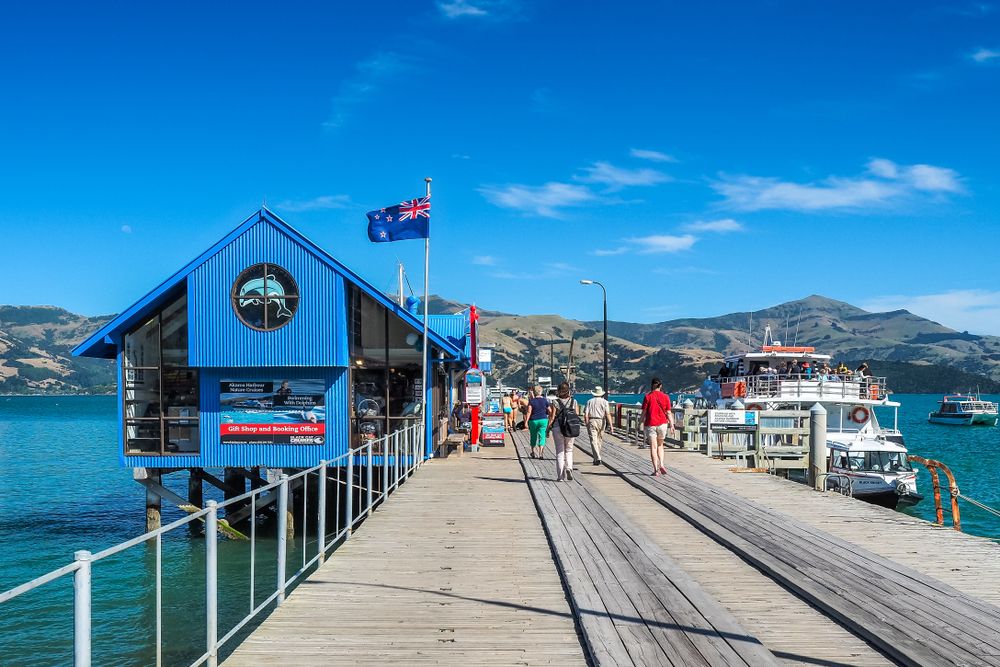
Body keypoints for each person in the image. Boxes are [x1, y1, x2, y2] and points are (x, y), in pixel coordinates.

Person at [641, 377, 674, 476]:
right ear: (661, 386)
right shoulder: (666, 397)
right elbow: (668, 412)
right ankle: (662, 465)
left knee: (653, 447)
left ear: (652, 385)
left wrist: (640, 422)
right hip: (662, 424)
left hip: (651, 424)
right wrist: (672, 425)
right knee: (660, 445)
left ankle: (655, 470)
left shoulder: (647, 397)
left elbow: (644, 412)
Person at [547, 382, 578, 481]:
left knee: (560, 451)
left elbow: (552, 417)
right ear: (568, 390)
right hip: (570, 427)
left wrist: (548, 429)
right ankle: (569, 468)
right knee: (569, 450)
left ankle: (560, 476)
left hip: (557, 427)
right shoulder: (574, 401)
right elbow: (576, 415)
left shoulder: (555, 402)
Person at [584, 385, 613, 465]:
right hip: (602, 421)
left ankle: (597, 458)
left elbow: (586, 414)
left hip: (592, 420)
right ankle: (597, 457)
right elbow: (607, 414)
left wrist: (586, 423)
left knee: (593, 440)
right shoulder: (605, 402)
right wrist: (611, 425)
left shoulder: (589, 401)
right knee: (599, 440)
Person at [524, 386, 550, 459]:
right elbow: (550, 410)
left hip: (533, 420)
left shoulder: (532, 401)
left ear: (534, 392)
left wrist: (526, 422)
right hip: (543, 420)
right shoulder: (545, 400)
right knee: (542, 436)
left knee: (533, 436)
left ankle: (533, 452)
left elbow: (529, 412)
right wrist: (550, 418)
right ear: (541, 392)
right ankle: (541, 453)